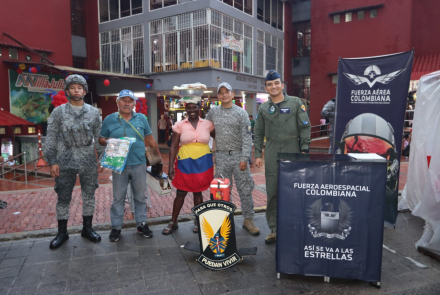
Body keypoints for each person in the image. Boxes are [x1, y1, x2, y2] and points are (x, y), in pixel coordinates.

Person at [44, 74, 104, 249]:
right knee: (63, 196)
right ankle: (62, 232)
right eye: (73, 87)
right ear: (67, 90)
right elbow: (51, 137)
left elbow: (99, 137)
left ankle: (87, 228)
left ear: (84, 91)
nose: (76, 90)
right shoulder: (58, 112)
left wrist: (101, 159)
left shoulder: (93, 112)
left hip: (87, 158)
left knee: (89, 194)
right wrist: (52, 161)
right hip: (65, 157)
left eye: (80, 87)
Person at [254, 71, 311, 244]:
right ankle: (274, 229)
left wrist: (304, 149)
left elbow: (304, 127)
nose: (273, 86)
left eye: (276, 83)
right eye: (270, 84)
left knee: (294, 191)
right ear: (266, 88)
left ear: (282, 85)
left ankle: (294, 226)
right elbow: (258, 133)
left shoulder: (295, 103)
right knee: (272, 192)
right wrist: (257, 154)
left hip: (292, 149)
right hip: (272, 152)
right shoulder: (263, 108)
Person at [99, 89, 162, 242]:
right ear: (117, 102)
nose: (127, 103)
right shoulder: (109, 119)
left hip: (139, 163)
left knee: (140, 196)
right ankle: (116, 227)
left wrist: (158, 160)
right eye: (124, 100)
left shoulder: (141, 118)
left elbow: (151, 140)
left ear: (134, 103)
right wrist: (109, 142)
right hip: (118, 164)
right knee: (118, 197)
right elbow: (101, 138)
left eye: (130, 101)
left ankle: (141, 224)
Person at [206, 82, 260, 235]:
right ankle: (223, 221)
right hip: (221, 156)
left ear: (232, 94)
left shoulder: (241, 113)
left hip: (238, 156)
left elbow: (247, 137)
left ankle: (248, 219)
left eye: (227, 92)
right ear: (218, 96)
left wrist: (244, 158)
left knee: (245, 189)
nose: (224, 95)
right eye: (221, 92)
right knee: (221, 190)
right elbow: (205, 127)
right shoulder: (213, 112)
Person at [163, 97, 214, 235]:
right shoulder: (179, 125)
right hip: (185, 161)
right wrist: (170, 167)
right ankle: (173, 221)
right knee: (181, 192)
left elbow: (217, 138)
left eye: (194, 107)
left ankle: (198, 220)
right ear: (186, 109)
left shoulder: (208, 124)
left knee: (198, 192)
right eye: (189, 107)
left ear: (200, 108)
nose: (192, 110)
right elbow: (173, 146)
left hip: (203, 162)